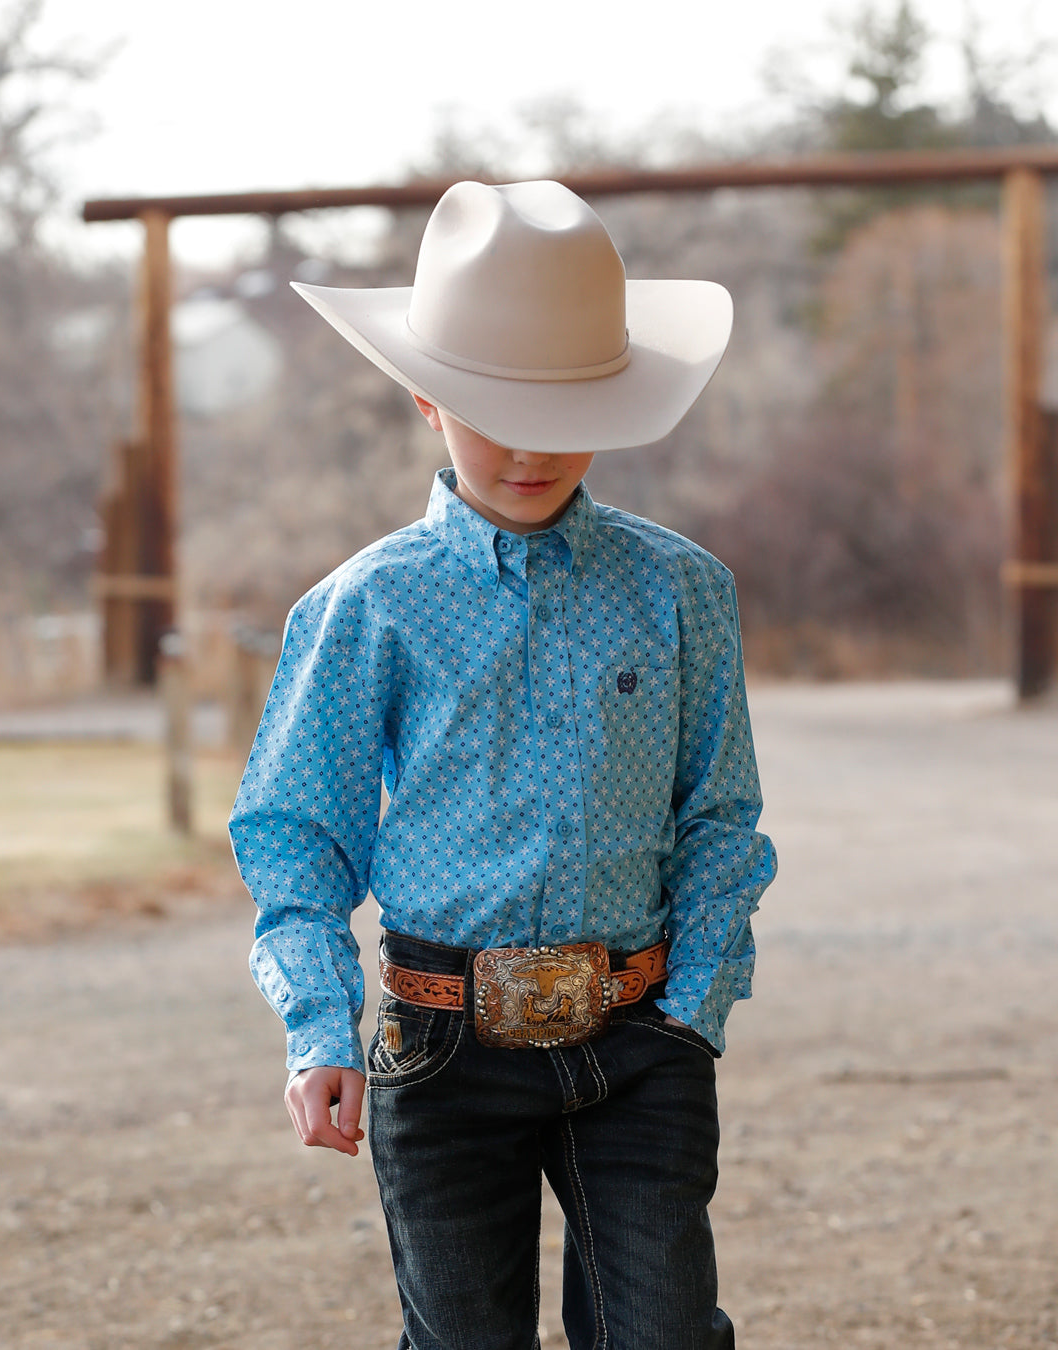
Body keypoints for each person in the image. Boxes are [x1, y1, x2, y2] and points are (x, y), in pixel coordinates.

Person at [229, 179, 777, 1350]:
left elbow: (722, 812)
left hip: (643, 1038)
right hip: (442, 1050)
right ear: (428, 400)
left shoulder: (683, 591)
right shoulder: (366, 607)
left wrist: (693, 1009)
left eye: (566, 408)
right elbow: (296, 837)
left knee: (666, 1335)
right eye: (492, 408)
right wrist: (322, 1028)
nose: (530, 448)